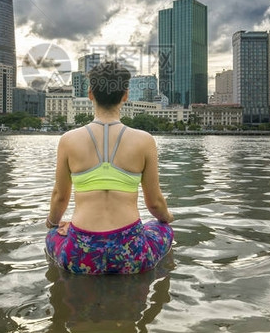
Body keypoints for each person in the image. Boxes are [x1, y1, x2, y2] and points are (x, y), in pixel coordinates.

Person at [45, 61, 174, 274]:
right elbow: (155, 203)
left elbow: (60, 197)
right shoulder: (144, 141)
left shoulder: (68, 140)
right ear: (125, 95)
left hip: (81, 255)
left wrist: (53, 224)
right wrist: (167, 218)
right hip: (131, 254)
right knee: (162, 228)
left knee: (53, 234)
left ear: (90, 94)